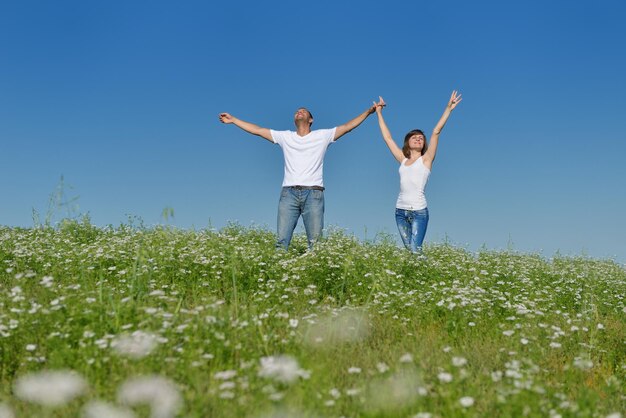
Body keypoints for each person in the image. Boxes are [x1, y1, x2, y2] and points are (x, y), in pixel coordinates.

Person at [219, 103, 376, 249]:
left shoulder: (323, 135)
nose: (299, 112)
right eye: (296, 112)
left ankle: (314, 275)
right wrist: (233, 120)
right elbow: (258, 130)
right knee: (281, 241)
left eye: (303, 111)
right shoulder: (285, 137)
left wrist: (368, 112)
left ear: (311, 119)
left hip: (314, 194)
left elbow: (347, 127)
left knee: (316, 243)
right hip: (288, 194)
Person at [374, 91, 462, 254]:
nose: (418, 139)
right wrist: (378, 113)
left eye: (421, 138)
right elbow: (387, 138)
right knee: (409, 251)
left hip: (419, 212)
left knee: (415, 250)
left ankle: (429, 276)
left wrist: (448, 109)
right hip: (400, 211)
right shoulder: (403, 160)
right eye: (414, 137)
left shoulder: (426, 159)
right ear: (407, 142)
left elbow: (436, 131)